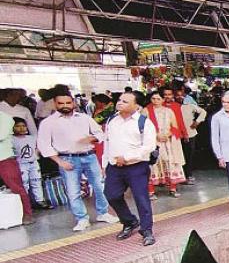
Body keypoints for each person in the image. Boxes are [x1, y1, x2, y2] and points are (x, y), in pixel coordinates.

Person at [37, 92, 118, 231]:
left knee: (99, 186)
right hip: (67, 158)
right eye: (61, 103)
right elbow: (44, 145)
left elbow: (101, 134)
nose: (65, 106)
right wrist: (60, 162)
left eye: (68, 103)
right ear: (55, 104)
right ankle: (82, 219)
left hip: (89, 156)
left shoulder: (84, 118)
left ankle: (103, 213)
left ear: (73, 103)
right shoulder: (48, 123)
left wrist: (91, 139)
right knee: (73, 191)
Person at [103, 92, 157, 246]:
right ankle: (130, 221)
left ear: (136, 105)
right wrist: (105, 163)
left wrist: (126, 157)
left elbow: (149, 146)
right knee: (111, 195)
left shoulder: (144, 122)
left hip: (137, 167)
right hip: (114, 167)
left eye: (125, 101)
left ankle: (147, 230)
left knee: (141, 199)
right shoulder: (112, 120)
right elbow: (107, 142)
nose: (119, 103)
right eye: (119, 100)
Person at [143, 90, 186, 199]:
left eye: (158, 99)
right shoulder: (145, 111)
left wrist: (167, 135)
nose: (156, 101)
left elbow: (175, 127)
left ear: (163, 99)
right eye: (153, 99)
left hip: (168, 142)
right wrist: (156, 135)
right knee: (153, 165)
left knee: (170, 163)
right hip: (153, 142)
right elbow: (142, 128)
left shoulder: (168, 111)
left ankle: (172, 188)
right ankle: (151, 191)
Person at [0, 111, 34, 224]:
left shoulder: (6, 118)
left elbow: (1, 135)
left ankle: (27, 214)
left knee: (16, 187)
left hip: (4, 158)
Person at [12, 117, 52, 210]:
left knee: (36, 181)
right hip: (21, 164)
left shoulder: (31, 138)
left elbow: (37, 148)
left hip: (33, 163)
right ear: (12, 128)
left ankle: (40, 200)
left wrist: (37, 155)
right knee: (24, 183)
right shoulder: (12, 140)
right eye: (18, 126)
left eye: (23, 126)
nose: (21, 128)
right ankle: (25, 204)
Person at [176, 89, 207, 184]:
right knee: (178, 155)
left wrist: (197, 122)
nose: (179, 97)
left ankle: (188, 174)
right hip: (177, 134)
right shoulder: (172, 107)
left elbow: (203, 112)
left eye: (181, 96)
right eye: (177, 96)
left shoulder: (189, 105)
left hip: (190, 133)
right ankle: (179, 176)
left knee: (189, 155)